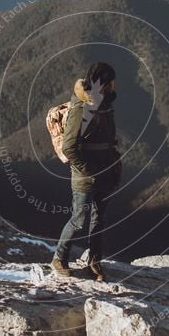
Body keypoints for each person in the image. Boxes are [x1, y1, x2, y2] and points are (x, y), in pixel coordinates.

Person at [51, 62, 121, 281]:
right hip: (86, 175)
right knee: (79, 219)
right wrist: (87, 170)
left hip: (105, 171)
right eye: (112, 81)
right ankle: (59, 259)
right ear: (104, 82)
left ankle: (94, 261)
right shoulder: (83, 107)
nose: (114, 85)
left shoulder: (104, 104)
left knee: (98, 218)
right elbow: (69, 147)